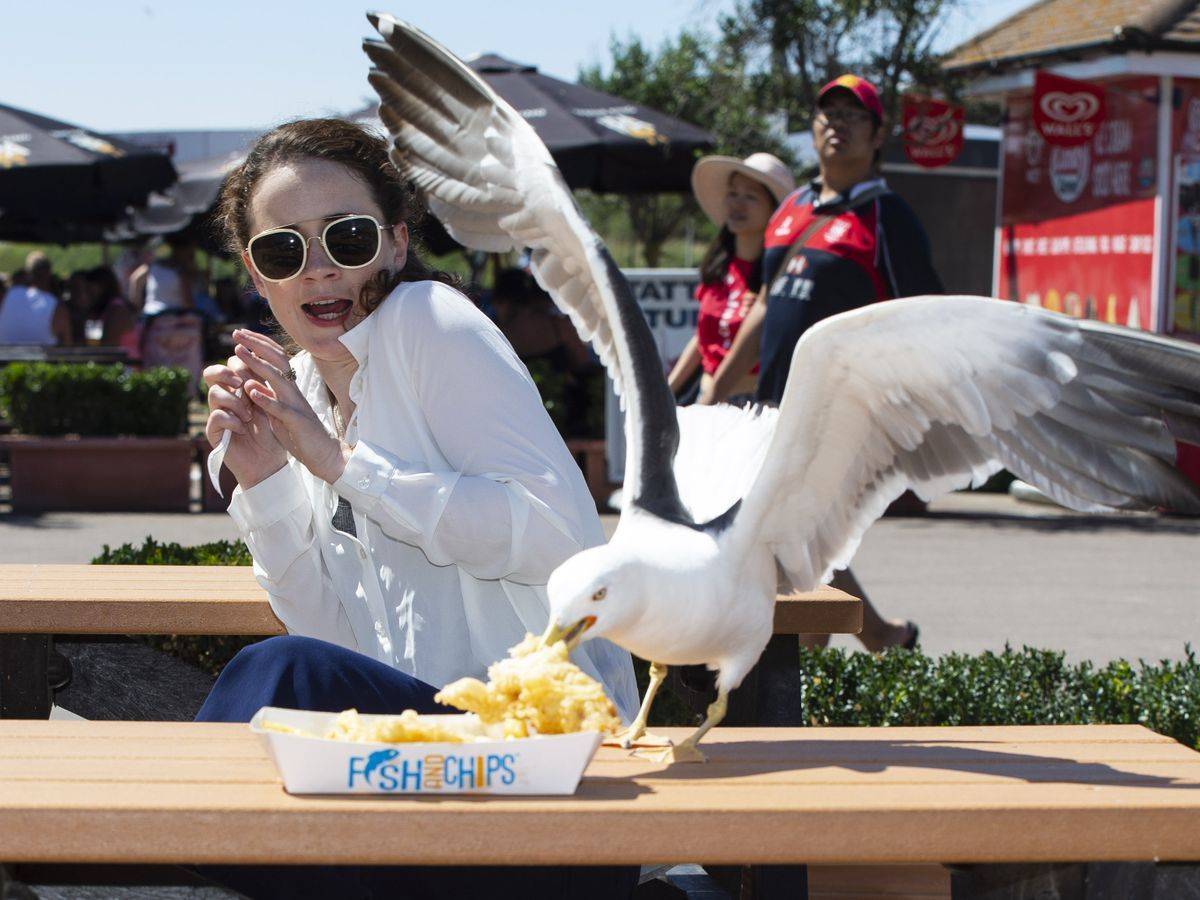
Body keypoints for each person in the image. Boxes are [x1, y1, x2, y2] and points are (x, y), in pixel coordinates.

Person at [194, 119, 638, 900]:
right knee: (289, 689)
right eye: (284, 250)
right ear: (258, 278)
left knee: (277, 674)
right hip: (422, 774)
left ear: (397, 243)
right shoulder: (303, 393)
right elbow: (335, 641)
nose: (320, 270)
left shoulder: (432, 324)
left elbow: (561, 544)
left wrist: (340, 465)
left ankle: (152, 843)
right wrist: (265, 481)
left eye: (348, 236)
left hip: (552, 783)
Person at [710, 75, 944, 652]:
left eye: (853, 116)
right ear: (812, 130)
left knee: (788, 535)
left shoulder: (891, 218)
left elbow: (927, 317)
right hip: (772, 403)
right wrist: (718, 380)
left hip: (841, 412)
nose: (836, 125)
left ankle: (812, 662)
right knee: (795, 540)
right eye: (827, 115)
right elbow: (766, 301)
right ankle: (872, 641)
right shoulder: (790, 209)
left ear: (877, 133)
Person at [667, 152, 794, 405]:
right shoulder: (719, 267)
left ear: (774, 210)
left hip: (757, 408)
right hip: (708, 400)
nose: (738, 203)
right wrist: (667, 390)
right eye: (733, 193)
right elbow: (702, 340)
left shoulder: (783, 277)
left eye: (751, 196)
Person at [0, 252, 71, 346]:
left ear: (27, 273)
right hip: (43, 360)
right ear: (49, 273)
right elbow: (68, 346)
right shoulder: (56, 307)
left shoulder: (6, 296)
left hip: (4, 359)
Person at [89, 265, 141, 360]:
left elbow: (108, 346)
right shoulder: (106, 309)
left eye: (90, 287)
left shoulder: (117, 310)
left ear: (103, 286)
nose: (88, 293)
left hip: (126, 366)